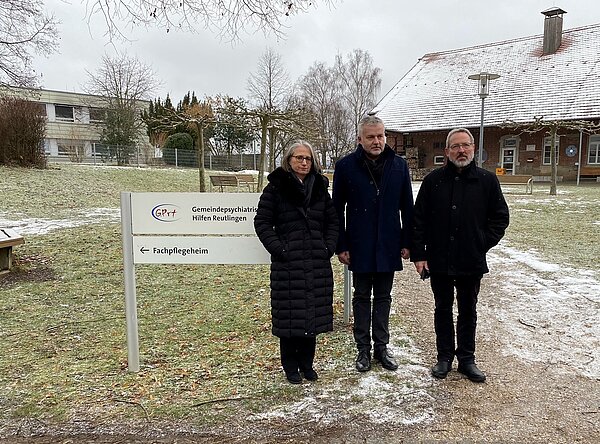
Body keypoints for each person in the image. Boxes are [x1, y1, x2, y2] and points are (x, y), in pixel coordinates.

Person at [411, 128, 509, 383]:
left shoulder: (487, 181)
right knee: (442, 308)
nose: (461, 150)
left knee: (468, 309)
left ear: (474, 148)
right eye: (455, 146)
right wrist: (420, 254)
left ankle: (467, 359)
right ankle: (444, 357)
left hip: (470, 259)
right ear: (447, 151)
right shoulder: (433, 181)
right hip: (439, 258)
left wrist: (481, 243)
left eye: (465, 145)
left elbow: (500, 218)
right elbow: (418, 219)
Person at [333, 115, 414, 372]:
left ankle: (381, 347)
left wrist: (407, 240)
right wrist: (341, 244)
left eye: (380, 136)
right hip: (359, 243)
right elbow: (337, 210)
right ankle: (363, 350)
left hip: (389, 242)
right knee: (360, 296)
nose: (377, 141)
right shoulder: (346, 166)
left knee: (383, 297)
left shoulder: (399, 165)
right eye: (371, 137)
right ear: (360, 139)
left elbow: (407, 208)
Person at [254, 140, 339, 384]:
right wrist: (280, 249)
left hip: (316, 262)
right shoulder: (276, 188)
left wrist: (327, 248)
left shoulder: (320, 188)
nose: (304, 162)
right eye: (299, 158)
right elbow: (262, 223)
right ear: (289, 160)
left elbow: (332, 222)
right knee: (290, 318)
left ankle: (307, 364)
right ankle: (290, 367)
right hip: (288, 264)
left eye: (308, 159)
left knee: (311, 315)